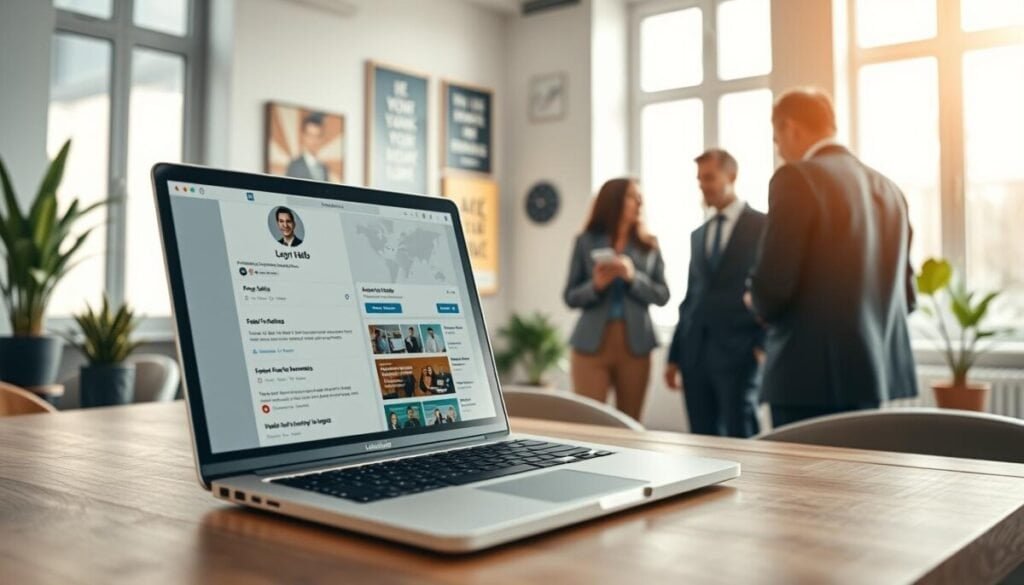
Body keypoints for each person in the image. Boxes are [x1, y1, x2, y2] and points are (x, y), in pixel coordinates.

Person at [746, 88, 917, 428]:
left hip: (806, 379)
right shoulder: (890, 189)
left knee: (800, 482)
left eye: (776, 139)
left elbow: (775, 284)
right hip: (873, 376)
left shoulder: (796, 178)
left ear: (790, 128)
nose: (779, 150)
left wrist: (755, 300)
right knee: (861, 479)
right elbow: (907, 297)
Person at [665, 149, 767, 438]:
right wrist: (674, 356)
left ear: (731, 176)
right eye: (699, 179)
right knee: (702, 439)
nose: (703, 185)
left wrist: (761, 344)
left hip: (741, 351)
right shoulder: (698, 234)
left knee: (742, 435)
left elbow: (772, 287)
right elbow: (690, 297)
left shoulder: (763, 226)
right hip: (694, 353)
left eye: (709, 177)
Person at [563, 177, 670, 421]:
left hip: (636, 345)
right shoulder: (585, 241)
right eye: (633, 196)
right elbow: (570, 296)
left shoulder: (649, 245)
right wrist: (596, 286)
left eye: (640, 197)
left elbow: (663, 295)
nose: (640, 202)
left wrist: (633, 278)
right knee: (588, 423)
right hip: (590, 346)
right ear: (613, 201)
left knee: (630, 423)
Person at [285, 112, 330, 181]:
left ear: (321, 139)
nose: (314, 141)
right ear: (304, 137)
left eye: (317, 136)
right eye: (310, 135)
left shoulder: (324, 168)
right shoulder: (295, 166)